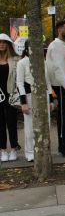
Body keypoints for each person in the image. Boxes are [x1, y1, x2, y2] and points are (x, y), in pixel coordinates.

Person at [16, 40, 54, 162]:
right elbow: (19, 83)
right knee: (30, 125)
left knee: (45, 123)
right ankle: (30, 152)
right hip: (29, 96)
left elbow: (47, 81)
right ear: (27, 48)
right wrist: (24, 102)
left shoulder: (43, 62)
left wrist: (51, 99)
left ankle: (45, 151)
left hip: (43, 96)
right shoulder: (22, 63)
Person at [45, 20, 65, 158]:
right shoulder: (57, 46)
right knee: (64, 118)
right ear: (59, 30)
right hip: (61, 87)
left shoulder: (63, 45)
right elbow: (57, 69)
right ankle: (63, 148)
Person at [0, 33, 20, 161]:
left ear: (8, 44)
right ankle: (2, 150)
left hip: (11, 95)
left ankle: (13, 148)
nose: (1, 45)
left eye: (4, 42)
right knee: (0, 124)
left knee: (12, 123)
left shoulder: (15, 59)